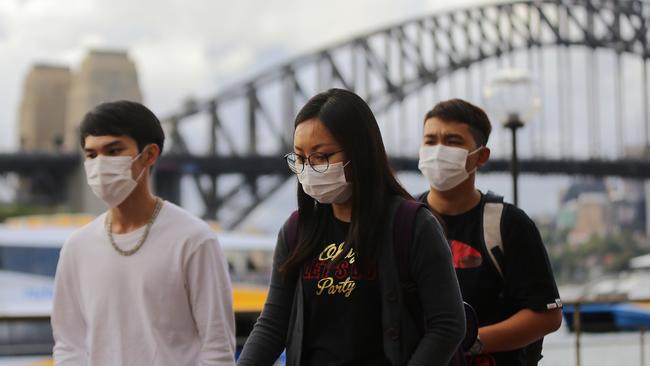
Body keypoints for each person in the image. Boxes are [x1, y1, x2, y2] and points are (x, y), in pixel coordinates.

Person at [238, 88, 466, 366]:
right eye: (299, 158)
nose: (308, 169)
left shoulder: (412, 226)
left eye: (321, 157)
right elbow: (273, 325)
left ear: (359, 153)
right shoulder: (297, 231)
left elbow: (447, 325)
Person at [51, 100, 236, 366]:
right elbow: (68, 344)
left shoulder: (194, 239)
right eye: (91, 155)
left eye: (113, 151)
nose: (100, 164)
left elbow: (218, 347)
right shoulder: (76, 247)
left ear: (149, 155)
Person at [416, 99, 563, 365]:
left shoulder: (510, 224)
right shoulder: (405, 220)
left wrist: (468, 343)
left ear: (481, 156)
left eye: (452, 141)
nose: (438, 151)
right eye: (430, 141)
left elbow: (547, 315)